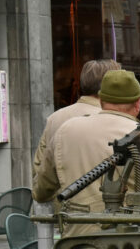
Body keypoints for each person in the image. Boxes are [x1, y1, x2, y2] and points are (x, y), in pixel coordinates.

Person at [33, 70, 140, 236]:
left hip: (80, 242)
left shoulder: (65, 131)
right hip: (137, 243)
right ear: (138, 103)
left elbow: (41, 192)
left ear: (101, 100)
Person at [31, 59, 121, 193]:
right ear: (112, 86)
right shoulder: (117, 120)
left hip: (65, 207)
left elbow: (40, 172)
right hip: (109, 207)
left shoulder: (55, 118)